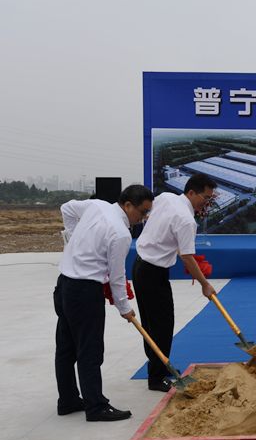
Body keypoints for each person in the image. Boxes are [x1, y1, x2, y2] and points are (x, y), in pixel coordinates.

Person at [54, 185, 154, 422]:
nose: (143, 218)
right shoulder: (120, 233)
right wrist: (124, 308)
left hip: (64, 284)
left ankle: (68, 400)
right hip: (85, 291)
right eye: (142, 212)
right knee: (90, 349)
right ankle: (96, 406)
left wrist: (73, 240)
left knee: (66, 347)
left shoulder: (97, 205)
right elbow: (117, 276)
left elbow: (66, 208)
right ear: (127, 205)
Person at [132, 173, 217, 392]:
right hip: (153, 272)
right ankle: (157, 377)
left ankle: (159, 366)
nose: (207, 203)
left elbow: (159, 225)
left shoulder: (166, 198)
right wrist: (205, 284)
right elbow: (187, 256)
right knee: (162, 325)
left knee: (151, 323)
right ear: (192, 192)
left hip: (140, 266)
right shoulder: (186, 220)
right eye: (206, 198)